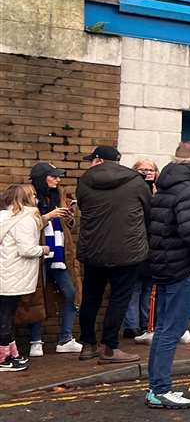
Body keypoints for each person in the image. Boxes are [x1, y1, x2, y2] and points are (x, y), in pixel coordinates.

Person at [143, 142, 190, 409]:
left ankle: (155, 388)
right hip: (178, 267)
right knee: (172, 329)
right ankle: (161, 390)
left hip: (162, 264)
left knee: (163, 329)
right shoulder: (187, 189)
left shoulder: (164, 185)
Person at [74, 146, 150, 363]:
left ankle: (88, 345)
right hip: (127, 251)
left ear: (98, 160)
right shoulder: (136, 181)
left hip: (93, 250)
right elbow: (148, 211)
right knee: (119, 299)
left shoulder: (84, 180)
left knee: (91, 298)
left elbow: (83, 206)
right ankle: (110, 348)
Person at [26, 162, 80, 356]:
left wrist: (69, 214)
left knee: (70, 293)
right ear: (42, 177)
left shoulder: (58, 196)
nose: (58, 179)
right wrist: (49, 215)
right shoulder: (28, 197)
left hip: (59, 255)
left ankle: (65, 339)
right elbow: (24, 226)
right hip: (36, 255)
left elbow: (69, 227)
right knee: (36, 297)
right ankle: (35, 341)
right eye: (53, 176)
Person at [0, 184, 50, 372]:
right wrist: (44, 249)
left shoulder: (4, 217)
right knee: (6, 317)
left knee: (6, 315)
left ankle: (11, 353)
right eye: (34, 195)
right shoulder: (25, 219)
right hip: (14, 276)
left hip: (4, 273)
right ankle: (4, 359)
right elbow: (27, 249)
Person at [125, 158, 160, 341]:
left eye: (150, 169)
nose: (146, 172)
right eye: (142, 169)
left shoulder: (159, 193)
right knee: (135, 288)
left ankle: (147, 324)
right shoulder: (131, 191)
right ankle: (132, 326)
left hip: (153, 247)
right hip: (136, 245)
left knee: (149, 289)